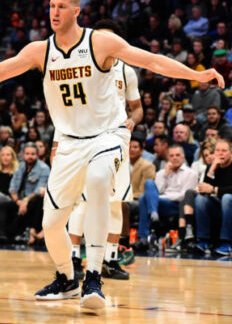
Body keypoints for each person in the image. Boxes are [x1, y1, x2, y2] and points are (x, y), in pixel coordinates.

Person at [0, 0, 223, 313]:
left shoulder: (99, 42)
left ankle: (93, 278)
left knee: (100, 181)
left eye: (61, 6)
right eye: (51, 6)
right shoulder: (39, 50)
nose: (54, 12)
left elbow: (151, 60)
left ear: (77, 11)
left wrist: (196, 75)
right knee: (51, 224)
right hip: (70, 142)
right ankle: (66, 278)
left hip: (107, 135)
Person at [68, 20, 143, 281]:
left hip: (117, 140)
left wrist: (132, 120)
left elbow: (137, 107)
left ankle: (110, 260)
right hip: (88, 139)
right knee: (83, 202)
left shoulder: (126, 71)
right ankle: (74, 257)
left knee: (116, 203)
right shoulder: (81, 68)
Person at [134, 145, 198, 250]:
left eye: (177, 155)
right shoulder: (161, 173)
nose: (174, 158)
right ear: (168, 158)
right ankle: (153, 214)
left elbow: (184, 196)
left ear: (183, 156)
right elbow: (156, 191)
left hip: (177, 205)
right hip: (159, 203)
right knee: (149, 185)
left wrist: (165, 197)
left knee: (144, 198)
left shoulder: (191, 174)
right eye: (171, 156)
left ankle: (143, 237)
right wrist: (165, 176)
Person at [193, 138, 232, 255]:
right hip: (219, 207)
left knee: (227, 198)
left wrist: (215, 190)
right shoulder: (212, 166)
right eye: (218, 150)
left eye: (224, 151)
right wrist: (212, 169)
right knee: (200, 199)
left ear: (231, 153)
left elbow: (213, 189)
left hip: (229, 204)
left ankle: (227, 243)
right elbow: (203, 189)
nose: (220, 153)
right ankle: (204, 241)